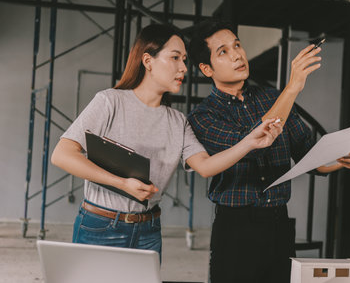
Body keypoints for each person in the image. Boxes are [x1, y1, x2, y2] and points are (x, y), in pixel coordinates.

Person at [50, 24, 283, 259]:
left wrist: (249, 142)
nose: (183, 67)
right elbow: (62, 154)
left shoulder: (177, 121)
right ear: (148, 61)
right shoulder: (110, 102)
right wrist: (121, 183)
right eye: (174, 58)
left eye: (184, 60)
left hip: (148, 231)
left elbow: (205, 166)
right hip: (101, 226)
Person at [187, 20, 350, 283]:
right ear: (206, 68)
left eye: (237, 45)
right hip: (235, 228)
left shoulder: (272, 98)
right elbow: (250, 144)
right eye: (223, 52)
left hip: (279, 222)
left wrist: (339, 159)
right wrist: (292, 88)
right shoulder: (203, 115)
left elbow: (308, 155)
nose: (238, 54)